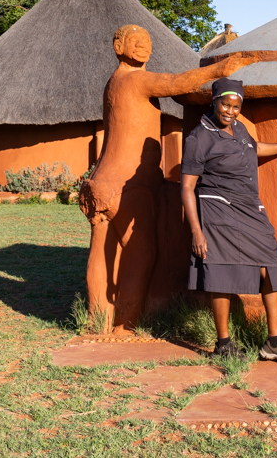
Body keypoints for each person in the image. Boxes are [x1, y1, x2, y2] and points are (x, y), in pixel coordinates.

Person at [79, 25, 252, 333]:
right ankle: (124, 325)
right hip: (129, 185)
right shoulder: (135, 80)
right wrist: (221, 69)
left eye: (147, 42)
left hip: (101, 181)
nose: (143, 47)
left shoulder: (113, 84)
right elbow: (177, 82)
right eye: (135, 42)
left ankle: (96, 321)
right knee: (140, 251)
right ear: (118, 45)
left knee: (101, 249)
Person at [180, 78, 277, 364]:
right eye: (225, 105)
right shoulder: (198, 139)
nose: (230, 111)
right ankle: (223, 344)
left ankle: (274, 343)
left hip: (250, 208)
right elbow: (187, 187)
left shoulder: (239, 128)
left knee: (272, 266)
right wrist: (196, 232)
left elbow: (254, 148)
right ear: (214, 102)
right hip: (218, 211)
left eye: (236, 107)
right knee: (221, 273)